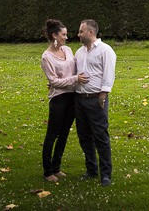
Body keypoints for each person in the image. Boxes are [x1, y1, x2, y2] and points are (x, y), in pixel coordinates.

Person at [41, 19, 88, 182]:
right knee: (52, 135)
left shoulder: (68, 50)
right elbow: (54, 82)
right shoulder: (46, 57)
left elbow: (76, 70)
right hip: (58, 99)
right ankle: (48, 172)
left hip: (72, 97)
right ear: (54, 35)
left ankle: (57, 167)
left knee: (64, 134)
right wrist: (74, 79)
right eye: (63, 35)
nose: (66, 38)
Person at [75, 19, 117, 187]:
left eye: (81, 31)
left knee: (100, 137)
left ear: (90, 32)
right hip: (79, 98)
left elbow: (108, 74)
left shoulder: (105, 50)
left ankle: (105, 174)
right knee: (84, 137)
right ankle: (91, 169)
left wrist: (103, 95)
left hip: (96, 99)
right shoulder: (79, 52)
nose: (78, 34)